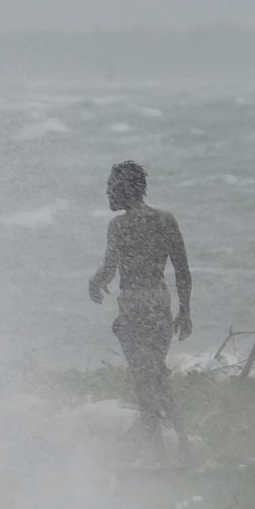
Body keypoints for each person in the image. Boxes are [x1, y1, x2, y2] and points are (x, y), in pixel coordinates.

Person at [87, 160, 191, 446]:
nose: (108, 193)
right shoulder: (165, 220)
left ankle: (155, 446)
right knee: (157, 374)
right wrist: (185, 310)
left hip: (133, 310)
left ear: (123, 188)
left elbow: (110, 269)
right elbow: (182, 269)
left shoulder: (119, 226)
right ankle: (182, 440)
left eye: (111, 187)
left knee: (143, 380)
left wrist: (94, 284)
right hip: (159, 307)